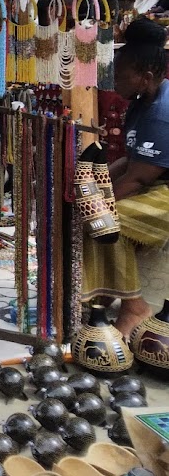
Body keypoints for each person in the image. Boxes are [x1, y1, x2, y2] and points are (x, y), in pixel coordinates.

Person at [82, 17, 169, 336]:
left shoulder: (162, 114)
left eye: (119, 74)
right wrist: (91, 183)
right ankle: (105, 292)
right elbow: (127, 160)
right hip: (155, 182)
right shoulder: (141, 101)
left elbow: (138, 179)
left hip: (161, 188)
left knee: (107, 221)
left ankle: (135, 307)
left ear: (145, 77)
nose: (113, 80)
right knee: (94, 214)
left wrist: (98, 203)